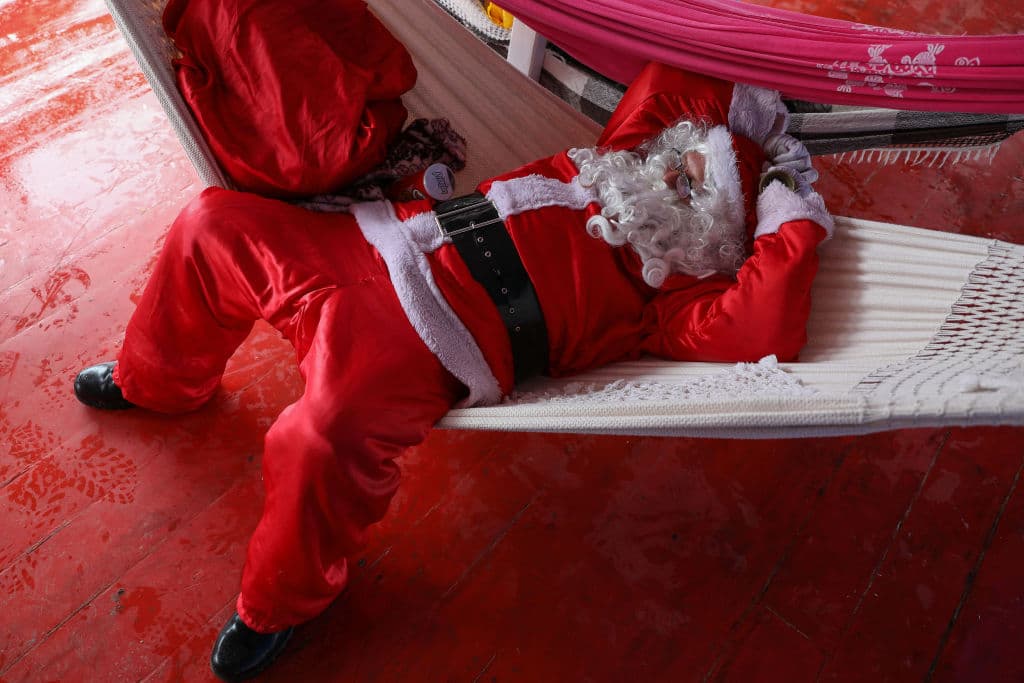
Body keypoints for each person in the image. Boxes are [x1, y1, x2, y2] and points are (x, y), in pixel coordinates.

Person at [73, 62, 833, 682]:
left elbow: (765, 322)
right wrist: (754, 121)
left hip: (417, 342)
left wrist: (784, 196)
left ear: (716, 236)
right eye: (677, 158)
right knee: (210, 222)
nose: (664, 176)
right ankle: (157, 380)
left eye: (691, 185)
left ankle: (280, 603)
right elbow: (671, 79)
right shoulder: (616, 159)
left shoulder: (674, 298)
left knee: (318, 436)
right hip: (360, 243)